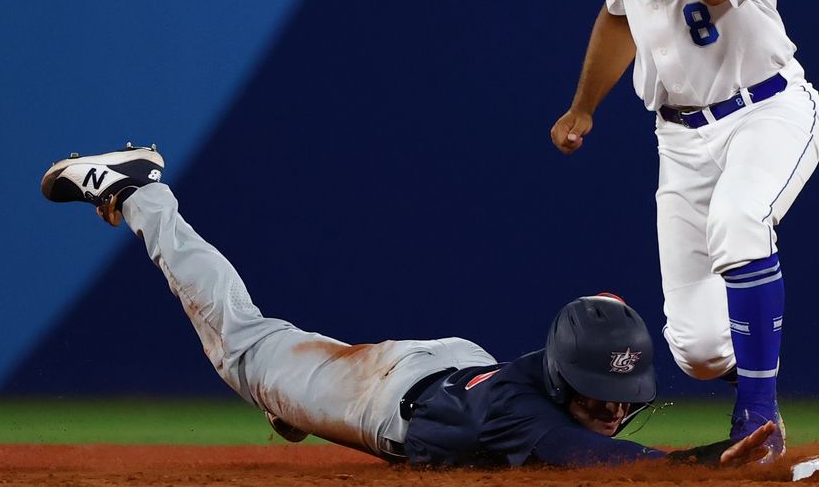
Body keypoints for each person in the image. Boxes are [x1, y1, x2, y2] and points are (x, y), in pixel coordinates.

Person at [40, 144, 775, 468]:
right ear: (564, 383)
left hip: (460, 368)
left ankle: (291, 402)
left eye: (622, 398)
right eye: (602, 398)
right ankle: (139, 191)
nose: (615, 412)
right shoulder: (525, 414)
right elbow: (601, 462)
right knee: (243, 343)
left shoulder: (550, 388)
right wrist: (710, 464)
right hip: (388, 394)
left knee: (291, 382)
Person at [548, 0, 819, 463]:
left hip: (766, 111)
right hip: (677, 135)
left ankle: (757, 421)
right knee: (699, 352)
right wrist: (584, 106)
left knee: (741, 223)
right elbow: (620, 16)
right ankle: (756, 373)